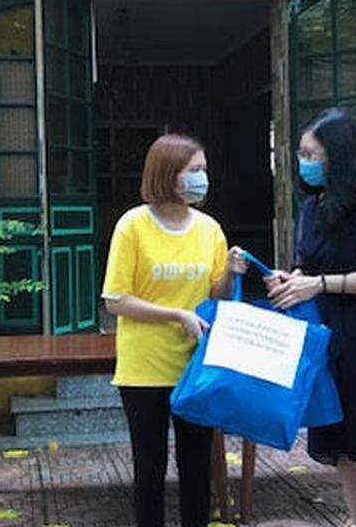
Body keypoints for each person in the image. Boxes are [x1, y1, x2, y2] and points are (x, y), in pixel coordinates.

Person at [265, 108, 356, 527]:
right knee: (345, 453)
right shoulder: (313, 206)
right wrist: (291, 280)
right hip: (326, 338)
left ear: (339, 156)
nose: (304, 163)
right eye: (302, 154)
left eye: (313, 154)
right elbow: (308, 269)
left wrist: (323, 284)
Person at [100, 133, 247, 527]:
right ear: (167, 174)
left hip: (196, 365)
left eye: (204, 170)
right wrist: (176, 315)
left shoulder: (210, 229)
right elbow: (115, 300)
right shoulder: (133, 226)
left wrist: (231, 274)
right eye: (194, 170)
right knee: (149, 468)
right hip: (144, 367)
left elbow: (216, 295)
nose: (202, 178)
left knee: (197, 467)